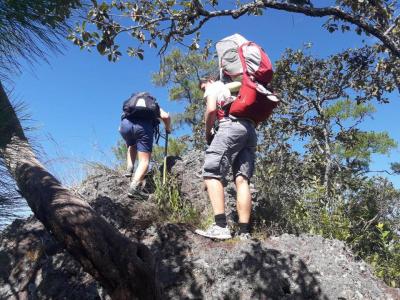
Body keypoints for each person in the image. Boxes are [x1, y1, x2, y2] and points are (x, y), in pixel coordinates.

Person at [195, 75, 256, 240]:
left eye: (203, 87)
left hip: (230, 126)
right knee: (242, 180)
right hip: (250, 130)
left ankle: (221, 226)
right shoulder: (236, 89)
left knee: (210, 171)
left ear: (209, 81)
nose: (203, 90)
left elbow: (211, 110)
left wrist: (208, 133)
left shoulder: (214, 87)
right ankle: (244, 233)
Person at [119, 92, 171, 197]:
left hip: (125, 126)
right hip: (143, 127)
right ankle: (134, 188)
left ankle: (129, 168)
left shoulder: (132, 102)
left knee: (132, 145)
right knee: (144, 161)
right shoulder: (153, 105)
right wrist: (168, 128)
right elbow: (166, 116)